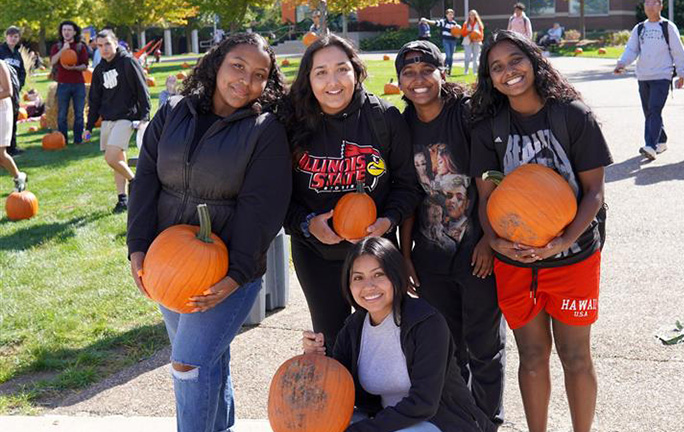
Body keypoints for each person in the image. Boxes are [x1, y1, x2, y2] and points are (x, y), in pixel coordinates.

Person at [126, 33, 292, 432]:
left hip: (227, 273)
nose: (245, 79)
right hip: (168, 264)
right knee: (208, 364)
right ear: (217, 63)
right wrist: (137, 248)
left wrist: (236, 274)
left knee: (188, 364)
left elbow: (262, 209)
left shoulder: (264, 130)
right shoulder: (172, 113)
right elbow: (146, 181)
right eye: (237, 65)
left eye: (258, 74)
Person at [470, 30, 613, 432]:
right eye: (496, 67)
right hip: (515, 261)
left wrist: (564, 240)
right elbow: (486, 197)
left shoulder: (572, 115)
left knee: (576, 356)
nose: (508, 72)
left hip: (574, 257)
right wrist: (495, 239)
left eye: (515, 60)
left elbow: (595, 192)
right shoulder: (488, 129)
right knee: (531, 357)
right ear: (489, 78)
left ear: (533, 60)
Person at [282, 34, 420, 353]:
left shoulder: (384, 119)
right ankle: (346, 403)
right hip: (316, 255)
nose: (333, 81)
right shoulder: (291, 124)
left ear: (356, 72)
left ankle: (383, 404)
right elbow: (276, 196)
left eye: (342, 69)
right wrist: (306, 224)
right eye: (321, 72)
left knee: (384, 342)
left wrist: (388, 220)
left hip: (376, 253)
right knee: (333, 342)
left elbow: (407, 185)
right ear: (309, 79)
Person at [394, 40, 505, 427]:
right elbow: (407, 194)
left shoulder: (466, 115)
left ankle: (488, 420)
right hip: (429, 255)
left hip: (477, 250)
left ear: (443, 73)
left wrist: (490, 239)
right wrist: (405, 255)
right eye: (409, 73)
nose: (418, 79)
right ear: (398, 82)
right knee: (447, 346)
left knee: (483, 345)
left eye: (427, 70)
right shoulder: (402, 126)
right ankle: (460, 420)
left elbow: (489, 179)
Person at [302, 237, 497, 432]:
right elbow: (336, 391)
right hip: (387, 420)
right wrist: (316, 360)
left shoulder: (426, 323)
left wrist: (361, 430)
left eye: (378, 274)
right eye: (358, 277)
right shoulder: (354, 327)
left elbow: (424, 404)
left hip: (440, 422)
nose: (368, 286)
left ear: (396, 276)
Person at [86, 29, 151, 213]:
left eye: (107, 44)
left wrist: (144, 117)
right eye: (100, 46)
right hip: (108, 119)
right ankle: (123, 199)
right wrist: (88, 126)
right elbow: (94, 100)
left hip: (127, 117)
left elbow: (142, 90)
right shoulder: (99, 69)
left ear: (115, 43)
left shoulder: (128, 62)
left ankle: (137, 184)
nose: (104, 49)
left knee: (111, 157)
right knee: (118, 160)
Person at [614, 0, 684, 161]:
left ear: (661, 6)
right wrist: (622, 63)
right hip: (643, 76)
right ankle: (661, 140)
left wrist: (682, 73)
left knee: (654, 109)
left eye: (654, 2)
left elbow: (678, 51)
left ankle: (650, 146)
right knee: (649, 111)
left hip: (662, 76)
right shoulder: (640, 28)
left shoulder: (667, 27)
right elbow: (632, 50)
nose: (650, 6)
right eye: (647, 3)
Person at [50, 20, 89, 146]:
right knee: (62, 114)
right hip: (63, 84)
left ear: (74, 32)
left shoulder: (80, 47)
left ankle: (78, 140)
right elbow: (52, 62)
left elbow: (85, 66)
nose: (66, 32)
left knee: (79, 113)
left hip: (78, 84)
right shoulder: (57, 46)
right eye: (64, 30)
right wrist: (63, 50)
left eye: (69, 30)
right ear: (61, 32)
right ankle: (63, 140)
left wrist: (74, 68)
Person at [0, 59, 26, 192]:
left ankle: (18, 177)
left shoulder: (0, 64)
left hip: (2, 110)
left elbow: (8, 91)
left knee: (1, 154)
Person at [0, 26, 25, 156]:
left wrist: (19, 85)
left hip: (14, 91)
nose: (13, 39)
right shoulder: (1, 51)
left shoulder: (17, 54)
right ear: (6, 36)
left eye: (16, 36)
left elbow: (22, 72)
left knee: (12, 118)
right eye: (11, 36)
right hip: (2, 90)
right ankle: (3, 149)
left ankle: (12, 147)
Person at [421, 9, 460, 75]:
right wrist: (427, 21)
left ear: (453, 15)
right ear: (446, 15)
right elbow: (435, 23)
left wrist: (458, 34)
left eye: (451, 14)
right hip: (446, 40)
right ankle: (445, 68)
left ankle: (449, 70)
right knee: (448, 56)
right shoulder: (443, 22)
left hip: (453, 41)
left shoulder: (454, 23)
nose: (450, 16)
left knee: (451, 56)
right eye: (449, 14)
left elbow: (457, 33)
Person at [461, 10, 484, 75]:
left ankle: (475, 71)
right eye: (470, 15)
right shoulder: (466, 23)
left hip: (476, 42)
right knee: (467, 57)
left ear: (476, 16)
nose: (472, 16)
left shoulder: (479, 23)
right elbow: (463, 33)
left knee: (475, 58)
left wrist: (480, 39)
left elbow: (481, 34)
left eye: (473, 15)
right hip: (467, 41)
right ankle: (466, 71)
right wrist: (469, 31)